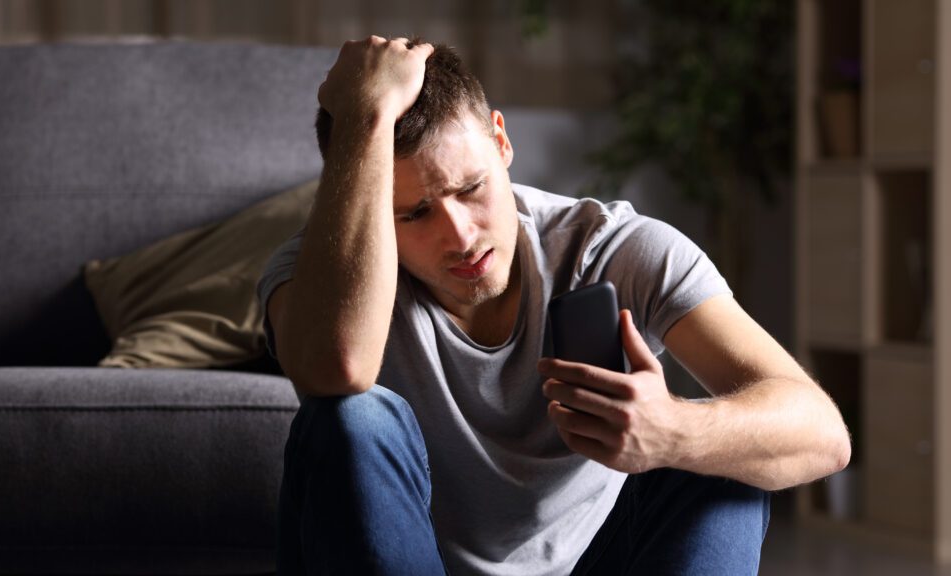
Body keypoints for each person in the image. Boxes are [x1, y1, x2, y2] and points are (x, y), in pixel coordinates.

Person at [258, 36, 851, 576]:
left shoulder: (610, 248)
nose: (461, 237)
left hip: (592, 561)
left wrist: (672, 431)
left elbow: (824, 435)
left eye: (471, 189)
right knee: (346, 417)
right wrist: (366, 116)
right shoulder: (309, 275)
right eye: (412, 214)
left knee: (727, 456)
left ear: (501, 139)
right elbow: (337, 369)